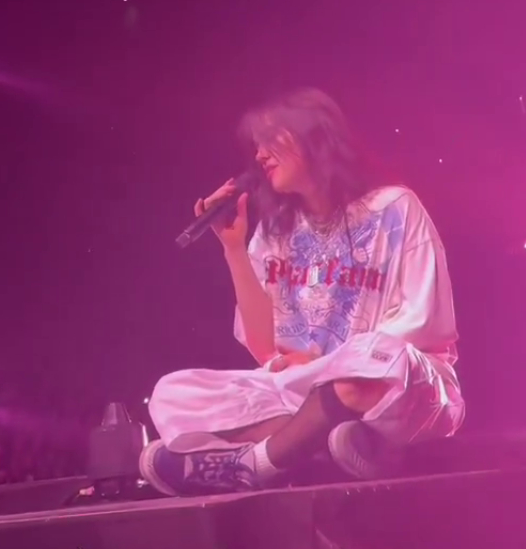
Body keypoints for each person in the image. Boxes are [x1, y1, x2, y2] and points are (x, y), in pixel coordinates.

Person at [140, 88, 465, 496]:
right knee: (174, 392)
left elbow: (423, 325)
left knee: (372, 361)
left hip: (395, 385)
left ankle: (256, 462)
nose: (259, 155)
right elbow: (263, 346)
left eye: (270, 139)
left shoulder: (393, 208)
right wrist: (234, 248)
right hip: (305, 391)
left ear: (315, 137)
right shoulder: (277, 230)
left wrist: (329, 362)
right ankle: (333, 447)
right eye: (255, 146)